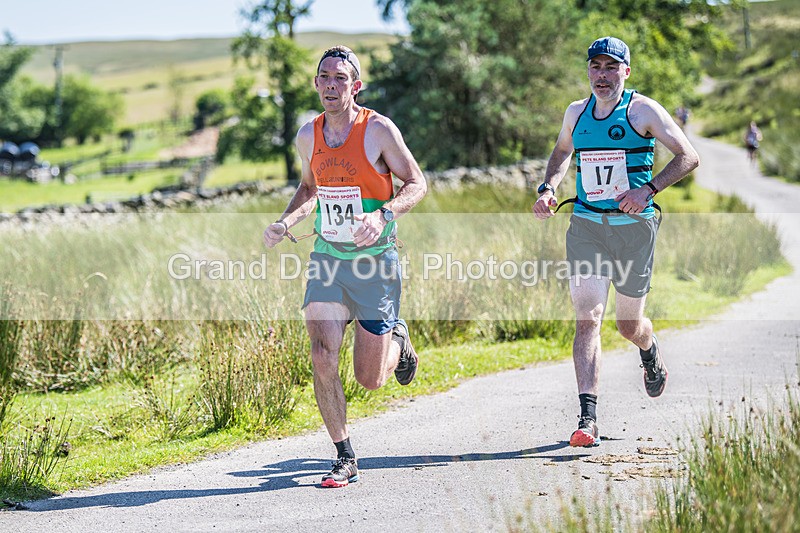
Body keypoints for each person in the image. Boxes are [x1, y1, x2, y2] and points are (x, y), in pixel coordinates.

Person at [263, 45, 427, 486]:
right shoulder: (308, 135)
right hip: (328, 259)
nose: (331, 85)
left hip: (375, 262)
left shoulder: (378, 130)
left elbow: (417, 183)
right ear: (316, 84)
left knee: (369, 379)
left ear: (356, 86)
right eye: (324, 77)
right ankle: (344, 455)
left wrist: (383, 215)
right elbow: (309, 188)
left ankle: (398, 340)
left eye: (340, 78)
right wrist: (285, 221)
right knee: (321, 352)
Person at [532, 37, 699, 447]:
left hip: (634, 229)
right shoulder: (577, 112)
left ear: (626, 71)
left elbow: (688, 156)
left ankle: (649, 348)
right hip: (587, 225)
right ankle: (587, 418)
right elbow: (562, 152)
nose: (602, 75)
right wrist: (548, 188)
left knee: (628, 326)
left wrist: (648, 190)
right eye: (596, 67)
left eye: (611, 67)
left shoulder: (642, 110)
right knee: (588, 317)